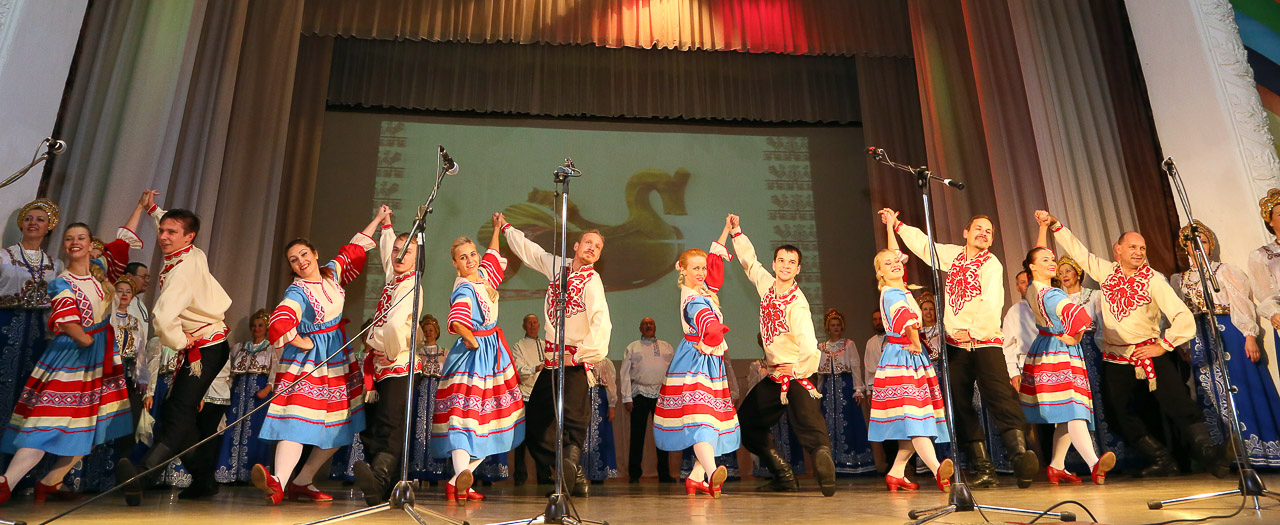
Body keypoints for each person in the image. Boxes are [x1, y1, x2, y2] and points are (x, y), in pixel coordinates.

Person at [1040, 210, 1230, 478]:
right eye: (1132, 247)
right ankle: (1161, 458)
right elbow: (1080, 253)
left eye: (1142, 248)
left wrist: (1164, 345)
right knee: (1119, 413)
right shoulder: (1107, 272)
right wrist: (1055, 225)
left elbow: (1182, 316)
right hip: (1116, 358)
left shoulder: (1153, 279)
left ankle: (1211, 456)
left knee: (1178, 404)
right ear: (1117, 249)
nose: (1139, 252)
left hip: (1148, 353)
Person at [884, 207, 1037, 488]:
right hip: (955, 345)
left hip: (984, 342)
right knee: (959, 403)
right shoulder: (954, 256)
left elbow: (992, 302)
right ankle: (984, 468)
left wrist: (974, 331)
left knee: (1001, 398)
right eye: (978, 229)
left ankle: (1019, 458)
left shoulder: (991, 264)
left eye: (988, 232)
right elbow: (925, 247)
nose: (983, 234)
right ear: (966, 233)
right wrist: (898, 225)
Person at [252, 207, 387, 504]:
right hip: (310, 362)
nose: (301, 261)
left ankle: (303, 481)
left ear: (314, 253)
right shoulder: (298, 291)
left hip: (337, 359)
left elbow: (353, 250)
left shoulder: (330, 273)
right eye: (294, 260)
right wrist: (299, 340)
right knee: (297, 419)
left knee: (340, 425)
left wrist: (378, 220)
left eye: (304, 254)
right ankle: (279, 482)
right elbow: (282, 318)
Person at [0, 220, 132, 504]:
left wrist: (143, 207)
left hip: (97, 357)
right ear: (64, 245)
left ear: (90, 244)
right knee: (46, 424)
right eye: (70, 238)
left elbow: (121, 247)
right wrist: (87, 340)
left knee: (94, 424)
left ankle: (51, 481)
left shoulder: (98, 276)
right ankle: (5, 483)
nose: (75, 242)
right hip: (73, 358)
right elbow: (67, 321)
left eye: (81, 238)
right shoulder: (62, 281)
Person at [118, 190, 235, 505]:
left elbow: (162, 317)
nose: (163, 237)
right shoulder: (192, 252)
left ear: (189, 236)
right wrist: (153, 210)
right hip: (207, 346)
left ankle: (143, 475)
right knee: (176, 412)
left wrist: (181, 342)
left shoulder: (182, 272)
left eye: (171, 233)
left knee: (178, 411)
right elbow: (171, 223)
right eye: (162, 231)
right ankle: (203, 480)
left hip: (204, 349)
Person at [498, 213, 612, 498]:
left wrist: (583, 355)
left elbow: (601, 321)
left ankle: (571, 468)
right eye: (588, 242)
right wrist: (507, 229)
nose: (592, 248)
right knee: (535, 425)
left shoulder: (592, 280)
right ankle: (573, 473)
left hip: (573, 363)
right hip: (550, 365)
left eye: (598, 247)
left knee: (573, 422)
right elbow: (531, 252)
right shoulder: (558, 267)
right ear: (576, 246)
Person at [728, 214, 836, 497]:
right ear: (775, 264)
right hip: (776, 375)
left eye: (791, 262)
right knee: (747, 422)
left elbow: (809, 345)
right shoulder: (767, 286)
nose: (786, 266)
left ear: (798, 269)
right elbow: (751, 264)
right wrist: (737, 232)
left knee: (810, 428)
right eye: (781, 261)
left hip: (797, 374)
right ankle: (784, 475)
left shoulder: (797, 303)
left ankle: (825, 470)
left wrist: (797, 370)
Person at [430, 219, 525, 502]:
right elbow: (456, 320)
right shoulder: (464, 288)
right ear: (455, 264)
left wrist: (496, 230)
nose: (471, 260)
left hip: (491, 355)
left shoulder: (482, 276)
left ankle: (458, 482)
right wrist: (472, 339)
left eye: (473, 254)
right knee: (464, 416)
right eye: (463, 257)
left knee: (490, 420)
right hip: (474, 357)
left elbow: (493, 257)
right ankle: (461, 476)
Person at [1176, 220, 1280, 467]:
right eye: (1192, 243)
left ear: (1210, 246)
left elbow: (1241, 304)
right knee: (1209, 393)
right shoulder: (1178, 279)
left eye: (1203, 241)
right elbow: (1178, 314)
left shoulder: (1224, 271)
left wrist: (1249, 335)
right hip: (1198, 339)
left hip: (1228, 334)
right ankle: (1225, 455)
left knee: (1242, 387)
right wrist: (1184, 346)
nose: (1198, 247)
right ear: (1185, 248)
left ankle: (1259, 451)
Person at [1018, 222, 1115, 485]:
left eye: (1053, 259)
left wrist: (1042, 228)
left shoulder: (1032, 288)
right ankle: (1094, 463)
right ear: (1033, 267)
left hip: (1045, 349)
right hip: (1059, 352)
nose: (1052, 263)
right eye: (1046, 261)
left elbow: (1037, 255)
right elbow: (1078, 315)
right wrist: (1076, 335)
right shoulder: (1051, 294)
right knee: (1073, 409)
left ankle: (1057, 465)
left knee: (1065, 412)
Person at [868, 210, 954, 492]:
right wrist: (915, 341)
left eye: (897, 262)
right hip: (903, 358)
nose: (895, 264)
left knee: (911, 419)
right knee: (916, 418)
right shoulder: (892, 293)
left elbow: (893, 254)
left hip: (906, 358)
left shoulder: (900, 289)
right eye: (888, 264)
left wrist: (890, 227)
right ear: (880, 273)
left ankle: (896, 473)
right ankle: (938, 470)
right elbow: (905, 318)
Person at [654, 225, 741, 498]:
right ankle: (713, 473)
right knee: (702, 419)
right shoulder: (692, 298)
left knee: (711, 419)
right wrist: (714, 331)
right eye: (695, 268)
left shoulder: (703, 290)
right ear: (682, 270)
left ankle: (695, 478)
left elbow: (714, 266)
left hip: (709, 362)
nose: (702, 272)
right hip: (695, 362)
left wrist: (726, 230)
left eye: (702, 268)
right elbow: (704, 319)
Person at [353, 217, 426, 505]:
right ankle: (387, 488)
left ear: (417, 259)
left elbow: (396, 325)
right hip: (384, 367)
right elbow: (387, 255)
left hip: (399, 364)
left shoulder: (410, 284)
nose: (399, 255)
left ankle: (380, 480)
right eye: (397, 249)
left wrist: (389, 350)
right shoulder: (394, 279)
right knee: (378, 424)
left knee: (390, 424)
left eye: (407, 252)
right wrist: (386, 227)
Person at [0, 199, 65, 433]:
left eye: (40, 219)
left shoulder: (54, 265)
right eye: (28, 219)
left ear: (49, 226)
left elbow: (54, 306)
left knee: (26, 385)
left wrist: (51, 338)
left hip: (36, 332)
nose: (33, 223)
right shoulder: (4, 257)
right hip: (4, 325)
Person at [215, 309, 278, 484]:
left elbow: (275, 371)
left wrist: (268, 388)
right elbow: (229, 371)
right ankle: (229, 471)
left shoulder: (271, 349)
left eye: (260, 325)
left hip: (259, 395)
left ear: (266, 328)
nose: (256, 328)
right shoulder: (239, 347)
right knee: (232, 428)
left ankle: (251, 473)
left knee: (255, 431)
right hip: (238, 393)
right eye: (253, 325)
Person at [816, 308, 874, 475]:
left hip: (846, 388)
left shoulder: (849, 345)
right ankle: (832, 463)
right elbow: (820, 374)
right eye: (832, 325)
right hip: (828, 390)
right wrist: (818, 393)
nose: (835, 328)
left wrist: (858, 390)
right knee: (827, 425)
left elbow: (855, 367)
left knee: (849, 424)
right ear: (827, 327)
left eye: (838, 325)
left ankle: (852, 463)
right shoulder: (821, 347)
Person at [619, 317, 676, 483]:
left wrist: (672, 395)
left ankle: (664, 474)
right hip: (639, 394)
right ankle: (634, 475)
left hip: (662, 395)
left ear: (655, 327)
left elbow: (673, 371)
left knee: (662, 435)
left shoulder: (666, 347)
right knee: (637, 436)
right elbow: (624, 374)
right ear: (640, 328)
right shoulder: (632, 347)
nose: (648, 326)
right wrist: (627, 397)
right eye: (645, 324)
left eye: (651, 323)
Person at [508, 313, 548, 485]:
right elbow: (517, 368)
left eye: (534, 322)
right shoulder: (518, 346)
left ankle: (544, 474)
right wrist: (535, 368)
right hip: (525, 395)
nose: (532, 325)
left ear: (539, 325)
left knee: (543, 436)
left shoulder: (546, 345)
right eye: (529, 323)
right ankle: (520, 475)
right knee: (522, 438)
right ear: (524, 326)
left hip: (542, 395)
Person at [410, 314, 449, 482]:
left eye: (430, 330)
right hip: (420, 393)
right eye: (425, 330)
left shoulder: (444, 352)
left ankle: (435, 470)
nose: (428, 333)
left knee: (436, 428)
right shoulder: (417, 352)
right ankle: (418, 468)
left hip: (437, 394)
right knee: (418, 427)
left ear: (436, 331)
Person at [584, 358, 619, 484]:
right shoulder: (578, 359)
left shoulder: (603, 361)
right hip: (582, 397)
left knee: (600, 434)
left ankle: (598, 473)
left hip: (600, 398)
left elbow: (610, 383)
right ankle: (579, 474)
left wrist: (612, 404)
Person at [863, 310, 889, 473]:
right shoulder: (870, 342)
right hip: (877, 388)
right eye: (875, 319)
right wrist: (868, 392)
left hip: (893, 385)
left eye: (880, 319)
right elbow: (867, 369)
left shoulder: (893, 340)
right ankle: (889, 463)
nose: (878, 322)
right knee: (884, 427)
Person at [1002, 271, 1037, 385]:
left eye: (1029, 281)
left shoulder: (1048, 304)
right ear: (1017, 287)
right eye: (1022, 282)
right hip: (1027, 366)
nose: (1027, 285)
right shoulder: (1014, 312)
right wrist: (1013, 372)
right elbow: (1008, 345)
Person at [124, 262, 151, 347]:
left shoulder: (141, 305)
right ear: (129, 276)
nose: (147, 281)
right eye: (144, 277)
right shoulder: (116, 299)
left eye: (148, 277)